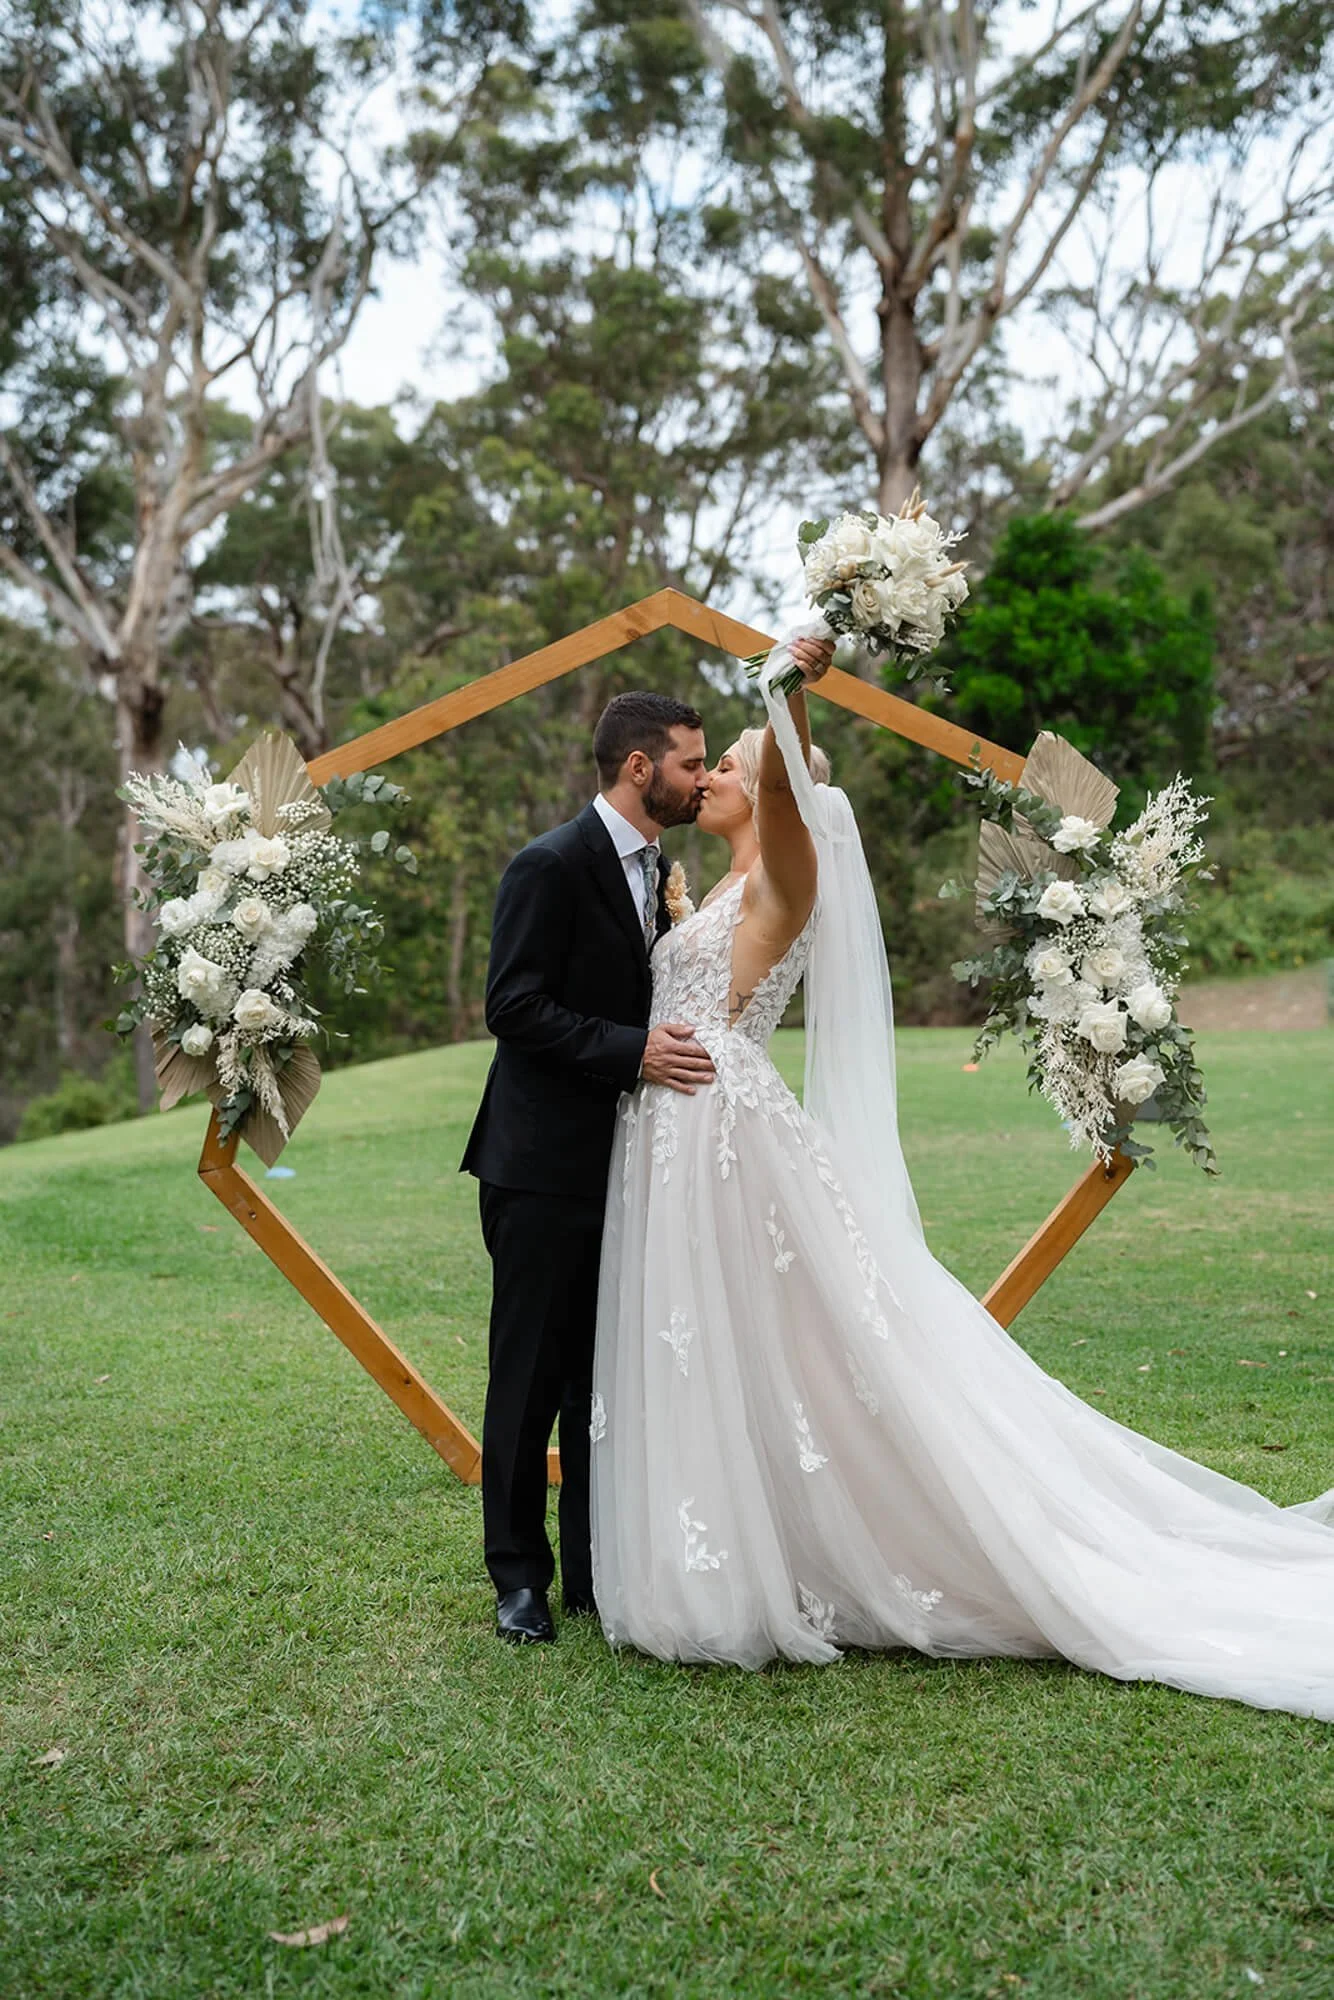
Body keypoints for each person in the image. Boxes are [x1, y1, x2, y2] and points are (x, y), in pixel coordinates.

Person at [590, 639, 1334, 1719]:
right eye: (700, 767)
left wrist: (785, 695)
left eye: (725, 767)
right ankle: (722, 1544)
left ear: (772, 791)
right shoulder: (709, 885)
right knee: (738, 1346)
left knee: (788, 1342)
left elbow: (791, 794)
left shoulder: (783, 875)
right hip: (675, 1130)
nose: (703, 779)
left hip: (721, 1133)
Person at [462, 692, 715, 1644]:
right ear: (640, 768)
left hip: (627, 1169)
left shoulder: (657, 872)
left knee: (599, 1380)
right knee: (529, 1376)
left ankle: (595, 1573)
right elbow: (513, 1007)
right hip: (538, 1165)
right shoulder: (549, 864)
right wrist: (634, 1050)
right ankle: (520, 1578)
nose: (703, 775)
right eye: (691, 761)